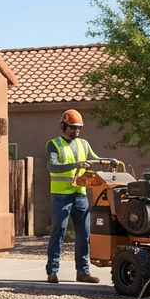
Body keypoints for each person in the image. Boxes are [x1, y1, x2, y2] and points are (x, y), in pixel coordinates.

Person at [45, 109, 100, 284]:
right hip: (61, 195)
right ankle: (52, 271)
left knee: (84, 234)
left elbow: (95, 159)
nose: (76, 131)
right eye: (73, 128)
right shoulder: (53, 144)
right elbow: (53, 167)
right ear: (64, 126)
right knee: (58, 232)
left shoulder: (84, 144)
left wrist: (106, 162)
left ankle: (83, 272)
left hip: (80, 194)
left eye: (78, 128)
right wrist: (76, 164)